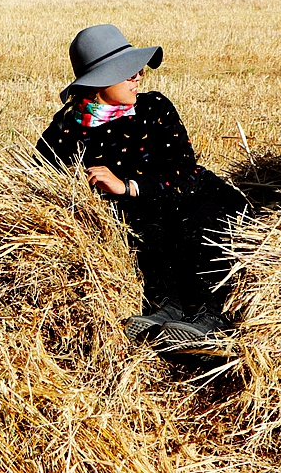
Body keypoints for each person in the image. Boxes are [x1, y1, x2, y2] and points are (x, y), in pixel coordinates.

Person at [36, 24, 248, 345]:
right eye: (127, 73)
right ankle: (168, 309)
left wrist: (127, 186)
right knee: (145, 233)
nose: (138, 77)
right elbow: (39, 179)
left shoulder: (154, 108)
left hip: (195, 201)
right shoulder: (67, 128)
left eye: (138, 71)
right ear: (98, 82)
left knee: (192, 225)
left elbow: (185, 175)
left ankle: (211, 314)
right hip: (140, 221)